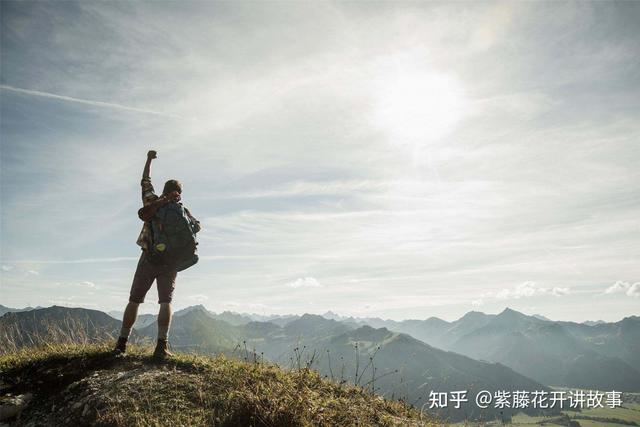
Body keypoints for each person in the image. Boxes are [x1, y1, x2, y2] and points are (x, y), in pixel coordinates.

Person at [114, 150, 201, 358]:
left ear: (164, 190)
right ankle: (162, 346)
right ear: (179, 192)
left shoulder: (153, 200)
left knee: (135, 300)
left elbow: (145, 180)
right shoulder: (182, 209)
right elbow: (197, 228)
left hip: (149, 257)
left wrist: (148, 160)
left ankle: (121, 344)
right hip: (171, 262)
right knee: (165, 302)